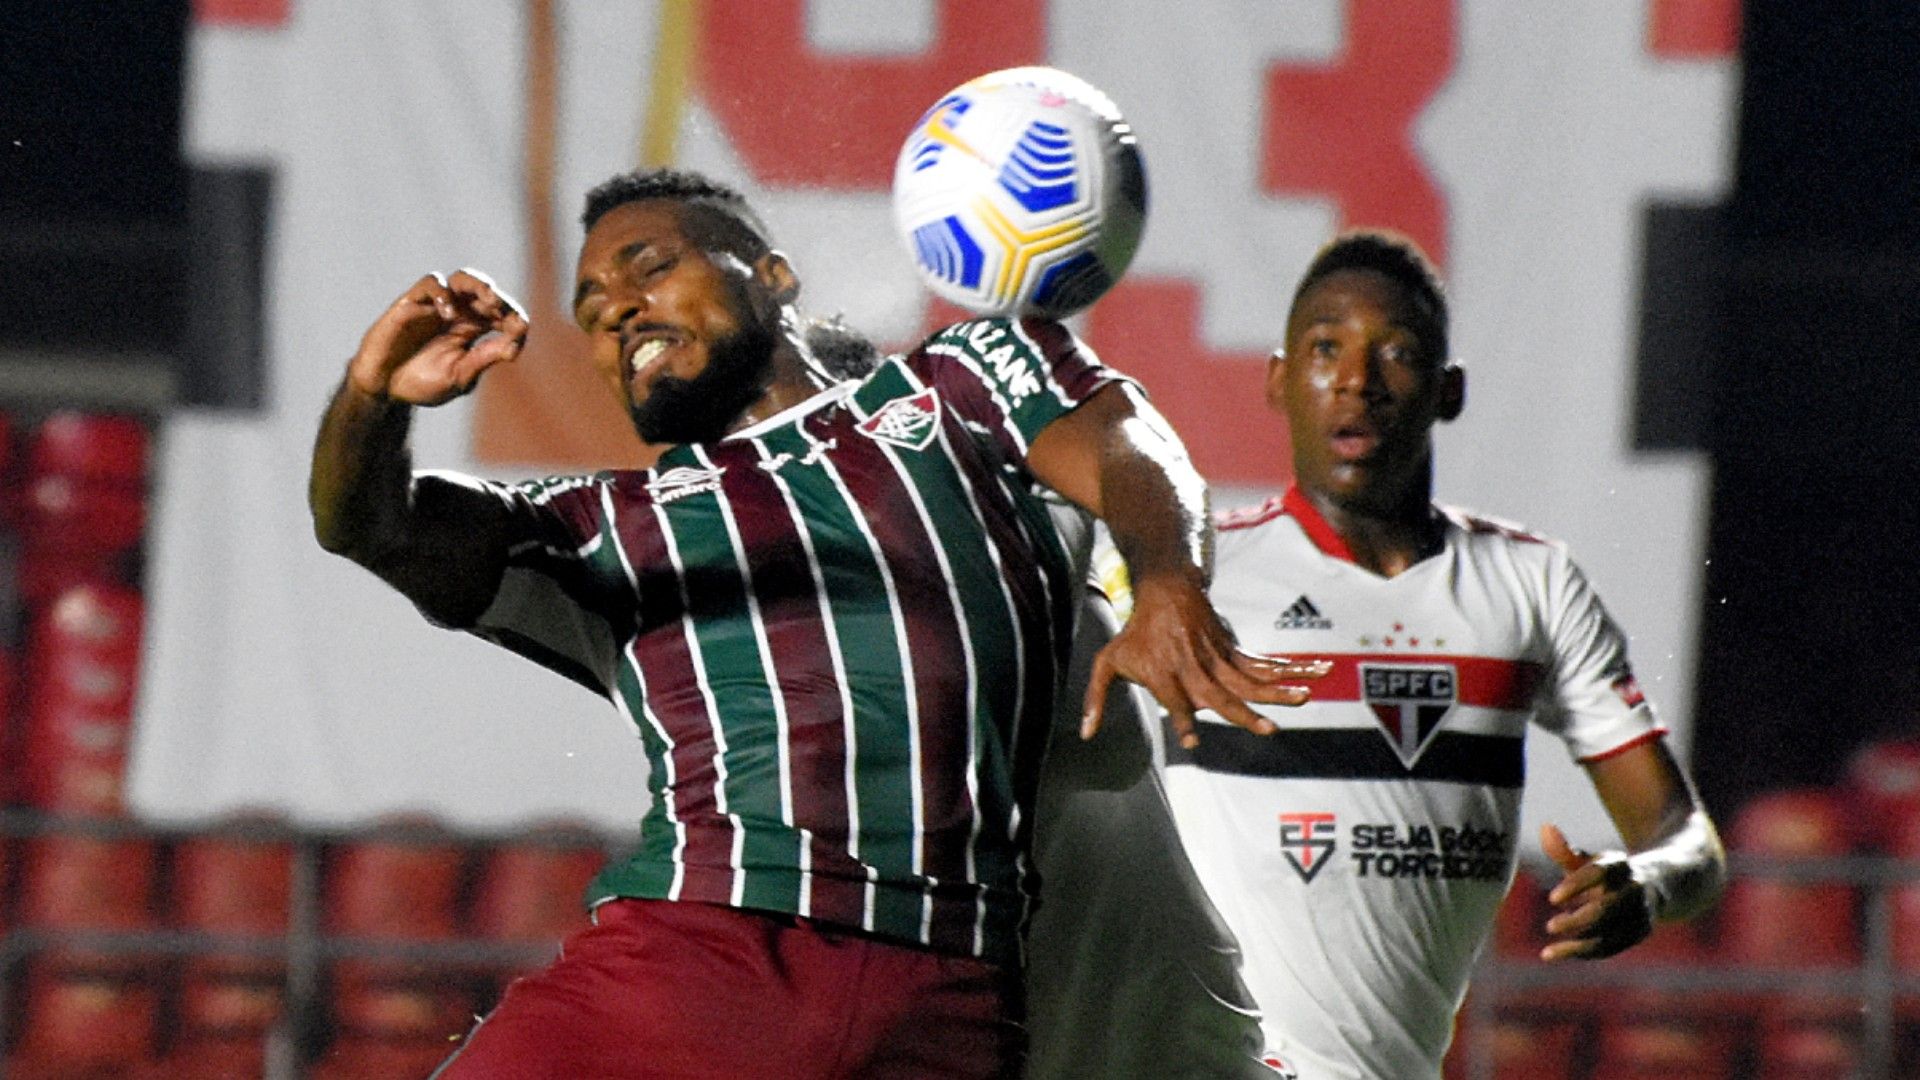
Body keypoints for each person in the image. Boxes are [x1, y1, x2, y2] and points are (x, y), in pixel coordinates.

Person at [308, 167, 1319, 1078]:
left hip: (954, 991)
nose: (616, 308)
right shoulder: (606, 525)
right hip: (706, 956)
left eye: (649, 265)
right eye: (592, 309)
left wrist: (1171, 584)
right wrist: (372, 397)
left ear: (774, 275)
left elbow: (1129, 447)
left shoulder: (955, 387)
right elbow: (370, 525)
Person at [1138, 229, 1727, 1079]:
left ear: (1448, 392)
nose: (1357, 381)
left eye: (1399, 354)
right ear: (1277, 379)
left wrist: (1649, 886)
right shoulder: (1193, 579)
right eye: (1326, 348)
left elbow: (1687, 844)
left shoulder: (1533, 586)